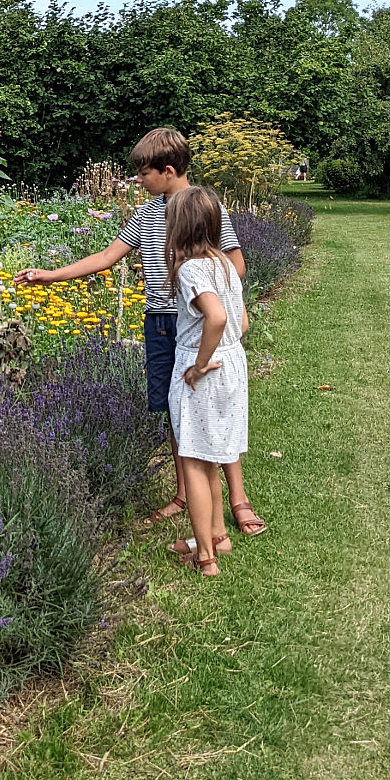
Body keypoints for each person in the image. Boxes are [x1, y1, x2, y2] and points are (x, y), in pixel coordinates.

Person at [14, 126, 266, 536]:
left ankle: (238, 499)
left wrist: (215, 298)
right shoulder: (147, 214)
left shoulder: (204, 207)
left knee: (217, 409)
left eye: (143, 174)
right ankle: (185, 494)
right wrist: (50, 276)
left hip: (200, 323)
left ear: (168, 170)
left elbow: (235, 264)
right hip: (162, 327)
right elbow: (108, 256)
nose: (138, 181)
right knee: (177, 409)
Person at [164, 185, 250, 575]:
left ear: (177, 227)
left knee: (193, 460)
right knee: (212, 454)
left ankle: (205, 559)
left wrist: (199, 364)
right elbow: (241, 322)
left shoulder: (191, 270)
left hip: (204, 371)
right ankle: (217, 537)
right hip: (232, 365)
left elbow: (215, 317)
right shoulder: (226, 265)